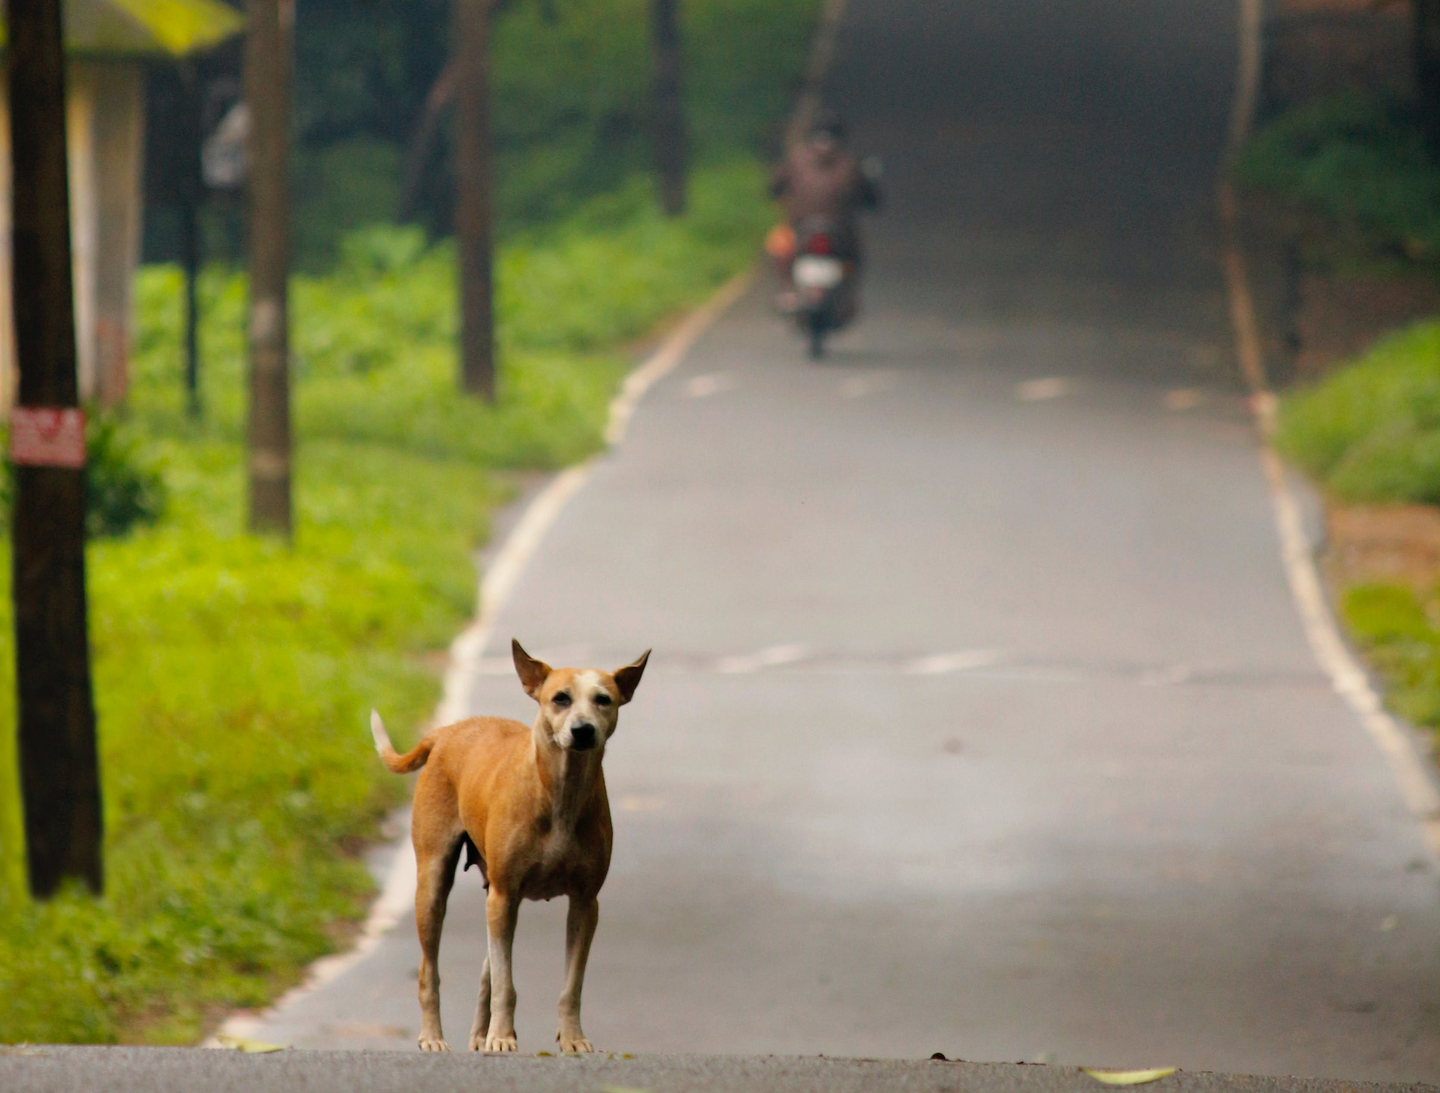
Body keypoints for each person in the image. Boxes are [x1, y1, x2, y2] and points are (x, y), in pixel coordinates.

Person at [767, 110, 880, 319]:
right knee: (854, 255)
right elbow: (870, 197)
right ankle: (849, 296)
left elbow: (774, 187)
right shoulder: (850, 163)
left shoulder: (795, 160)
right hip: (840, 230)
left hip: (799, 227)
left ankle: (788, 290)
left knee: (779, 244)